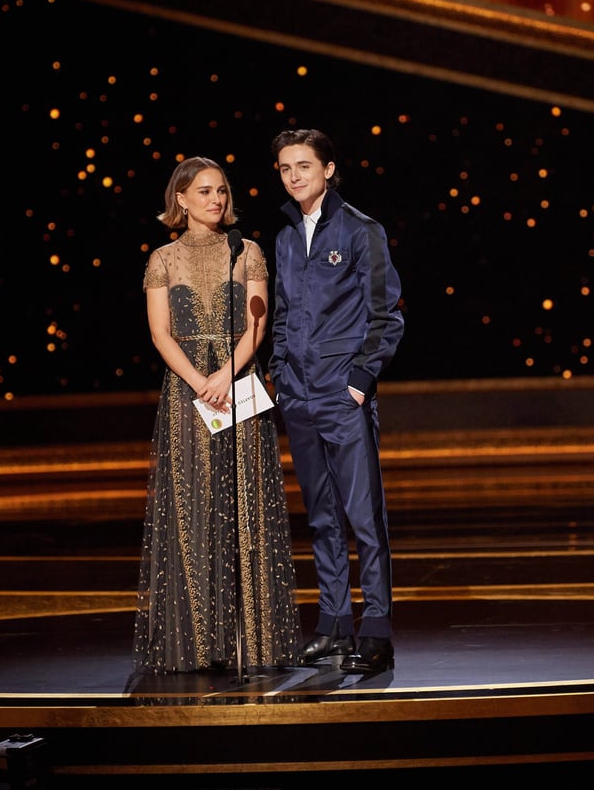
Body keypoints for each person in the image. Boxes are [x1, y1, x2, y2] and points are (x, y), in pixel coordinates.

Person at [131, 156, 300, 675]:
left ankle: (257, 639)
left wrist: (225, 374)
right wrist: (199, 381)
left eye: (221, 191)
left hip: (237, 382)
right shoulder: (162, 258)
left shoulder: (246, 251)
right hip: (189, 393)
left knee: (245, 503)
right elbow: (161, 333)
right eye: (204, 192)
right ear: (180, 199)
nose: (216, 200)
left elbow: (258, 321)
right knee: (194, 506)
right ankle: (199, 642)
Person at [268, 129, 405, 675]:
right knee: (322, 517)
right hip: (297, 397)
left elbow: (387, 314)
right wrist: (279, 373)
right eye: (284, 168)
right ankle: (332, 625)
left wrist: (359, 380)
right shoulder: (282, 239)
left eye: (304, 165)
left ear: (328, 169)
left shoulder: (361, 230)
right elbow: (280, 315)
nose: (294, 176)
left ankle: (376, 627)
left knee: (363, 516)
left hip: (341, 394)